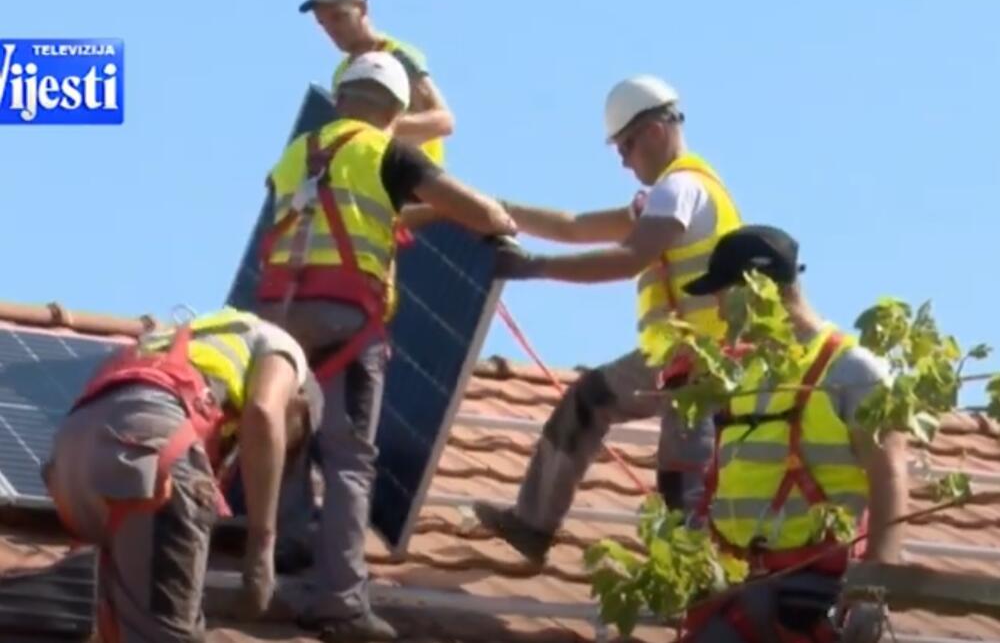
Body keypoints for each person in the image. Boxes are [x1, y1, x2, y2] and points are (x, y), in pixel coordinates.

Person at [255, 50, 515, 641]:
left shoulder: (295, 156)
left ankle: (286, 552)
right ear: (396, 111)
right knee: (349, 459)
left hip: (276, 317)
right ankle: (341, 602)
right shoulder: (387, 150)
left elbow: (325, 215)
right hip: (346, 316)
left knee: (285, 436)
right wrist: (498, 218)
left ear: (341, 98)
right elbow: (464, 205)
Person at [474, 74, 743, 564]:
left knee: (683, 488)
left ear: (656, 131)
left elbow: (629, 257)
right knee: (587, 400)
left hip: (705, 370)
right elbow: (574, 226)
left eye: (626, 145)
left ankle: (694, 596)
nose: (622, 159)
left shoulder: (680, 189)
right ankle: (532, 526)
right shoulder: (669, 194)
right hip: (678, 362)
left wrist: (534, 267)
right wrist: (500, 211)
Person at [673, 225, 908, 642]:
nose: (720, 312)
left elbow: (888, 475)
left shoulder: (850, 371)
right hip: (741, 585)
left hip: (812, 589)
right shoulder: (740, 374)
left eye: (723, 294)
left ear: (754, 287)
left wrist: (875, 585)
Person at [42, 307, 322, 642]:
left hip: (72, 460)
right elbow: (264, 412)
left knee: (116, 627)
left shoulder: (180, 338)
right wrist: (261, 549)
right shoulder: (283, 348)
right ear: (300, 402)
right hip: (150, 453)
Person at [299, 0, 453, 167]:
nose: (331, 29)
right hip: (374, 184)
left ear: (362, 9)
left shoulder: (397, 56)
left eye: (338, 17)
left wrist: (381, 125)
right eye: (322, 23)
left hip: (415, 182)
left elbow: (444, 121)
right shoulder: (343, 74)